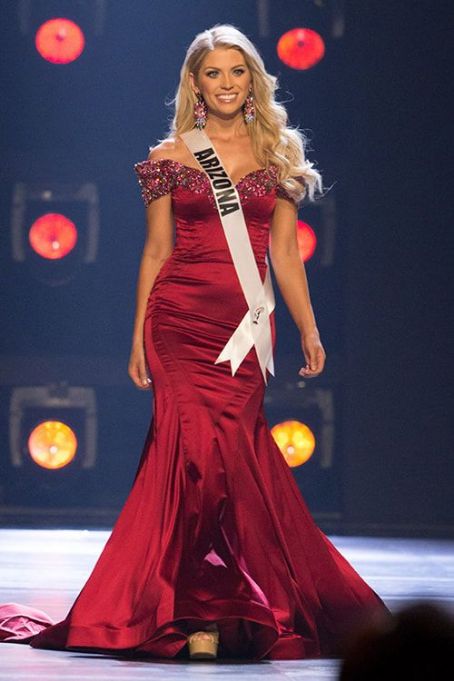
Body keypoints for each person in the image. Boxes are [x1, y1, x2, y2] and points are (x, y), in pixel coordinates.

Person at [0, 23, 391, 661]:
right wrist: (135, 338)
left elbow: (285, 253)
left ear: (253, 80)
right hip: (178, 324)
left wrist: (309, 327)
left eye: (238, 72)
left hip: (244, 328)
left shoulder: (278, 157)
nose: (227, 84)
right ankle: (186, 603)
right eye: (214, 73)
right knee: (188, 455)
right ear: (195, 83)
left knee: (233, 458)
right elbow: (157, 249)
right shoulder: (171, 158)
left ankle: (219, 599)